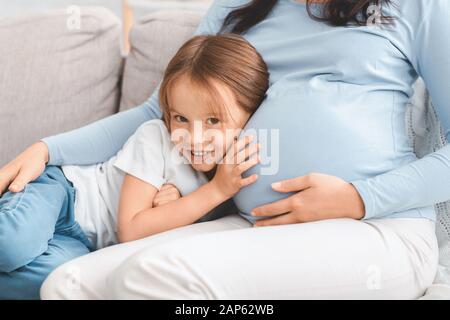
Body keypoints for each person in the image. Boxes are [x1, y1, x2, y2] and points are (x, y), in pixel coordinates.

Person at [1, 0, 449, 299]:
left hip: (376, 228)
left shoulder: (416, 7)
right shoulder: (241, 8)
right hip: (253, 223)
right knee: (67, 283)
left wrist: (358, 198)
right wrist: (49, 148)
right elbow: (154, 113)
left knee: (154, 276)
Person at [0, 34, 269, 299]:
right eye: (181, 118)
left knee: (57, 282)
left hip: (85, 243)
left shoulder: (234, 179)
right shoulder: (155, 138)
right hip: (63, 194)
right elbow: (131, 229)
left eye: (212, 121)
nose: (194, 138)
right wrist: (216, 191)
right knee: (12, 243)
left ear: (251, 115)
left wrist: (184, 201)